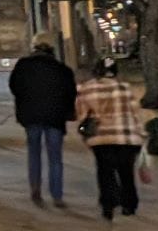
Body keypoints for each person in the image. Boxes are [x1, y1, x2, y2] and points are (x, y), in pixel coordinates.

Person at [10, 34, 78, 206]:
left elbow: (14, 87)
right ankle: (57, 194)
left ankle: (35, 189)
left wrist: (25, 103)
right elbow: (71, 93)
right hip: (55, 117)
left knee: (34, 152)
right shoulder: (62, 69)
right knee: (55, 156)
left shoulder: (23, 66)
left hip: (31, 116)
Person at [75, 58, 146, 219]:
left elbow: (82, 114)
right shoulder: (125, 88)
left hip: (101, 138)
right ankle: (129, 205)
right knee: (126, 172)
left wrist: (85, 134)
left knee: (105, 171)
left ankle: (108, 205)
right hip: (126, 137)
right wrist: (141, 134)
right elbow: (135, 113)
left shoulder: (86, 89)